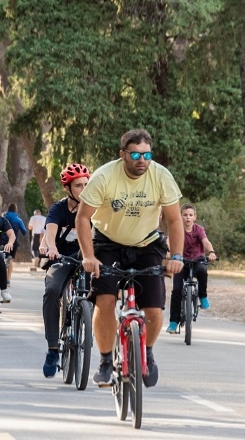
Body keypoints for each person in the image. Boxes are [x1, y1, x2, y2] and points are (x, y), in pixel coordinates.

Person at [77, 129, 183, 390]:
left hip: (147, 243)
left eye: (147, 154)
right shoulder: (104, 176)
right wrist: (89, 256)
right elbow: (82, 218)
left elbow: (174, 219)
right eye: (135, 154)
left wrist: (176, 256)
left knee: (154, 309)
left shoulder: (161, 176)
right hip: (107, 243)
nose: (142, 160)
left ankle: (146, 352)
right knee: (105, 299)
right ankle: (104, 361)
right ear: (122, 154)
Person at [41, 163, 91, 377]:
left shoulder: (96, 207)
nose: (84, 189)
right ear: (68, 189)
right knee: (52, 291)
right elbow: (50, 231)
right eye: (78, 185)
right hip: (61, 258)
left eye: (87, 185)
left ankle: (88, 326)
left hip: (87, 259)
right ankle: (53, 348)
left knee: (103, 290)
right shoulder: (58, 209)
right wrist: (51, 248)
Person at [166, 204, 217, 333]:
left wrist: (211, 252)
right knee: (177, 290)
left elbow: (205, 242)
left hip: (197, 260)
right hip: (181, 262)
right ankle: (173, 322)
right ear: (180, 216)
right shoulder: (176, 229)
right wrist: (167, 252)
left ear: (195, 217)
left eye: (190, 215)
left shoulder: (198, 229)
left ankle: (203, 296)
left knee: (202, 271)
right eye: (184, 215)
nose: (187, 218)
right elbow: (168, 241)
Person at [3, 203, 29, 287]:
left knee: (2, 259)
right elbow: (24, 232)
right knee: (11, 260)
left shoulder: (3, 218)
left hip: (3, 242)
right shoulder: (18, 220)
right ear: (16, 210)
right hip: (13, 242)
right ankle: (8, 281)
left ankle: (2, 278)